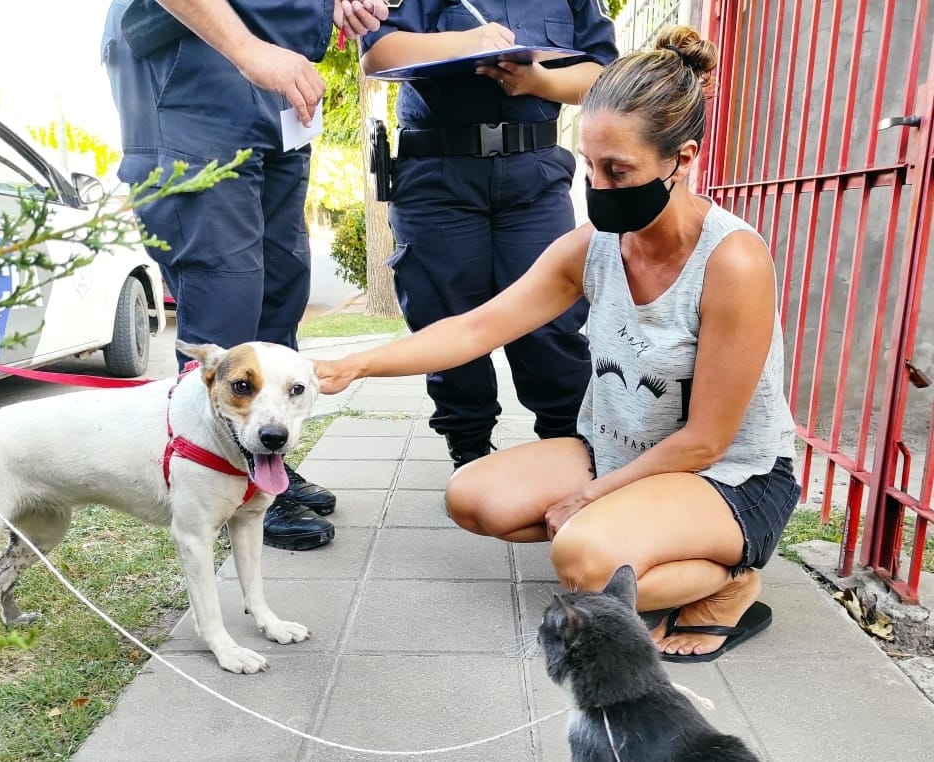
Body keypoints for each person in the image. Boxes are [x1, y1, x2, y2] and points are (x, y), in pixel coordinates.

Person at [316, 26, 803, 661]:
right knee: (473, 497)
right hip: (621, 451)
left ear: (682, 161)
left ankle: (730, 584)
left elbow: (708, 439)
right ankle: (627, 537)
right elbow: (475, 328)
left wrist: (589, 498)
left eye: (619, 170)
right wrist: (357, 364)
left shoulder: (732, 261)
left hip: (728, 476)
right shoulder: (594, 248)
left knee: (582, 559)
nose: (597, 188)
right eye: (591, 167)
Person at [101, 0, 388, 551]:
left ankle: (264, 465)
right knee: (225, 294)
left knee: (281, 283)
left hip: (280, 82)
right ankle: (218, 481)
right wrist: (248, 48)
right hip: (196, 63)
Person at [357, 1, 618, 468]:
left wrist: (542, 82)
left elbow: (603, 73)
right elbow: (378, 52)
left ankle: (568, 450)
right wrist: (467, 42)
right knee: (447, 315)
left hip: (534, 174)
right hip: (439, 173)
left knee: (550, 322)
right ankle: (470, 449)